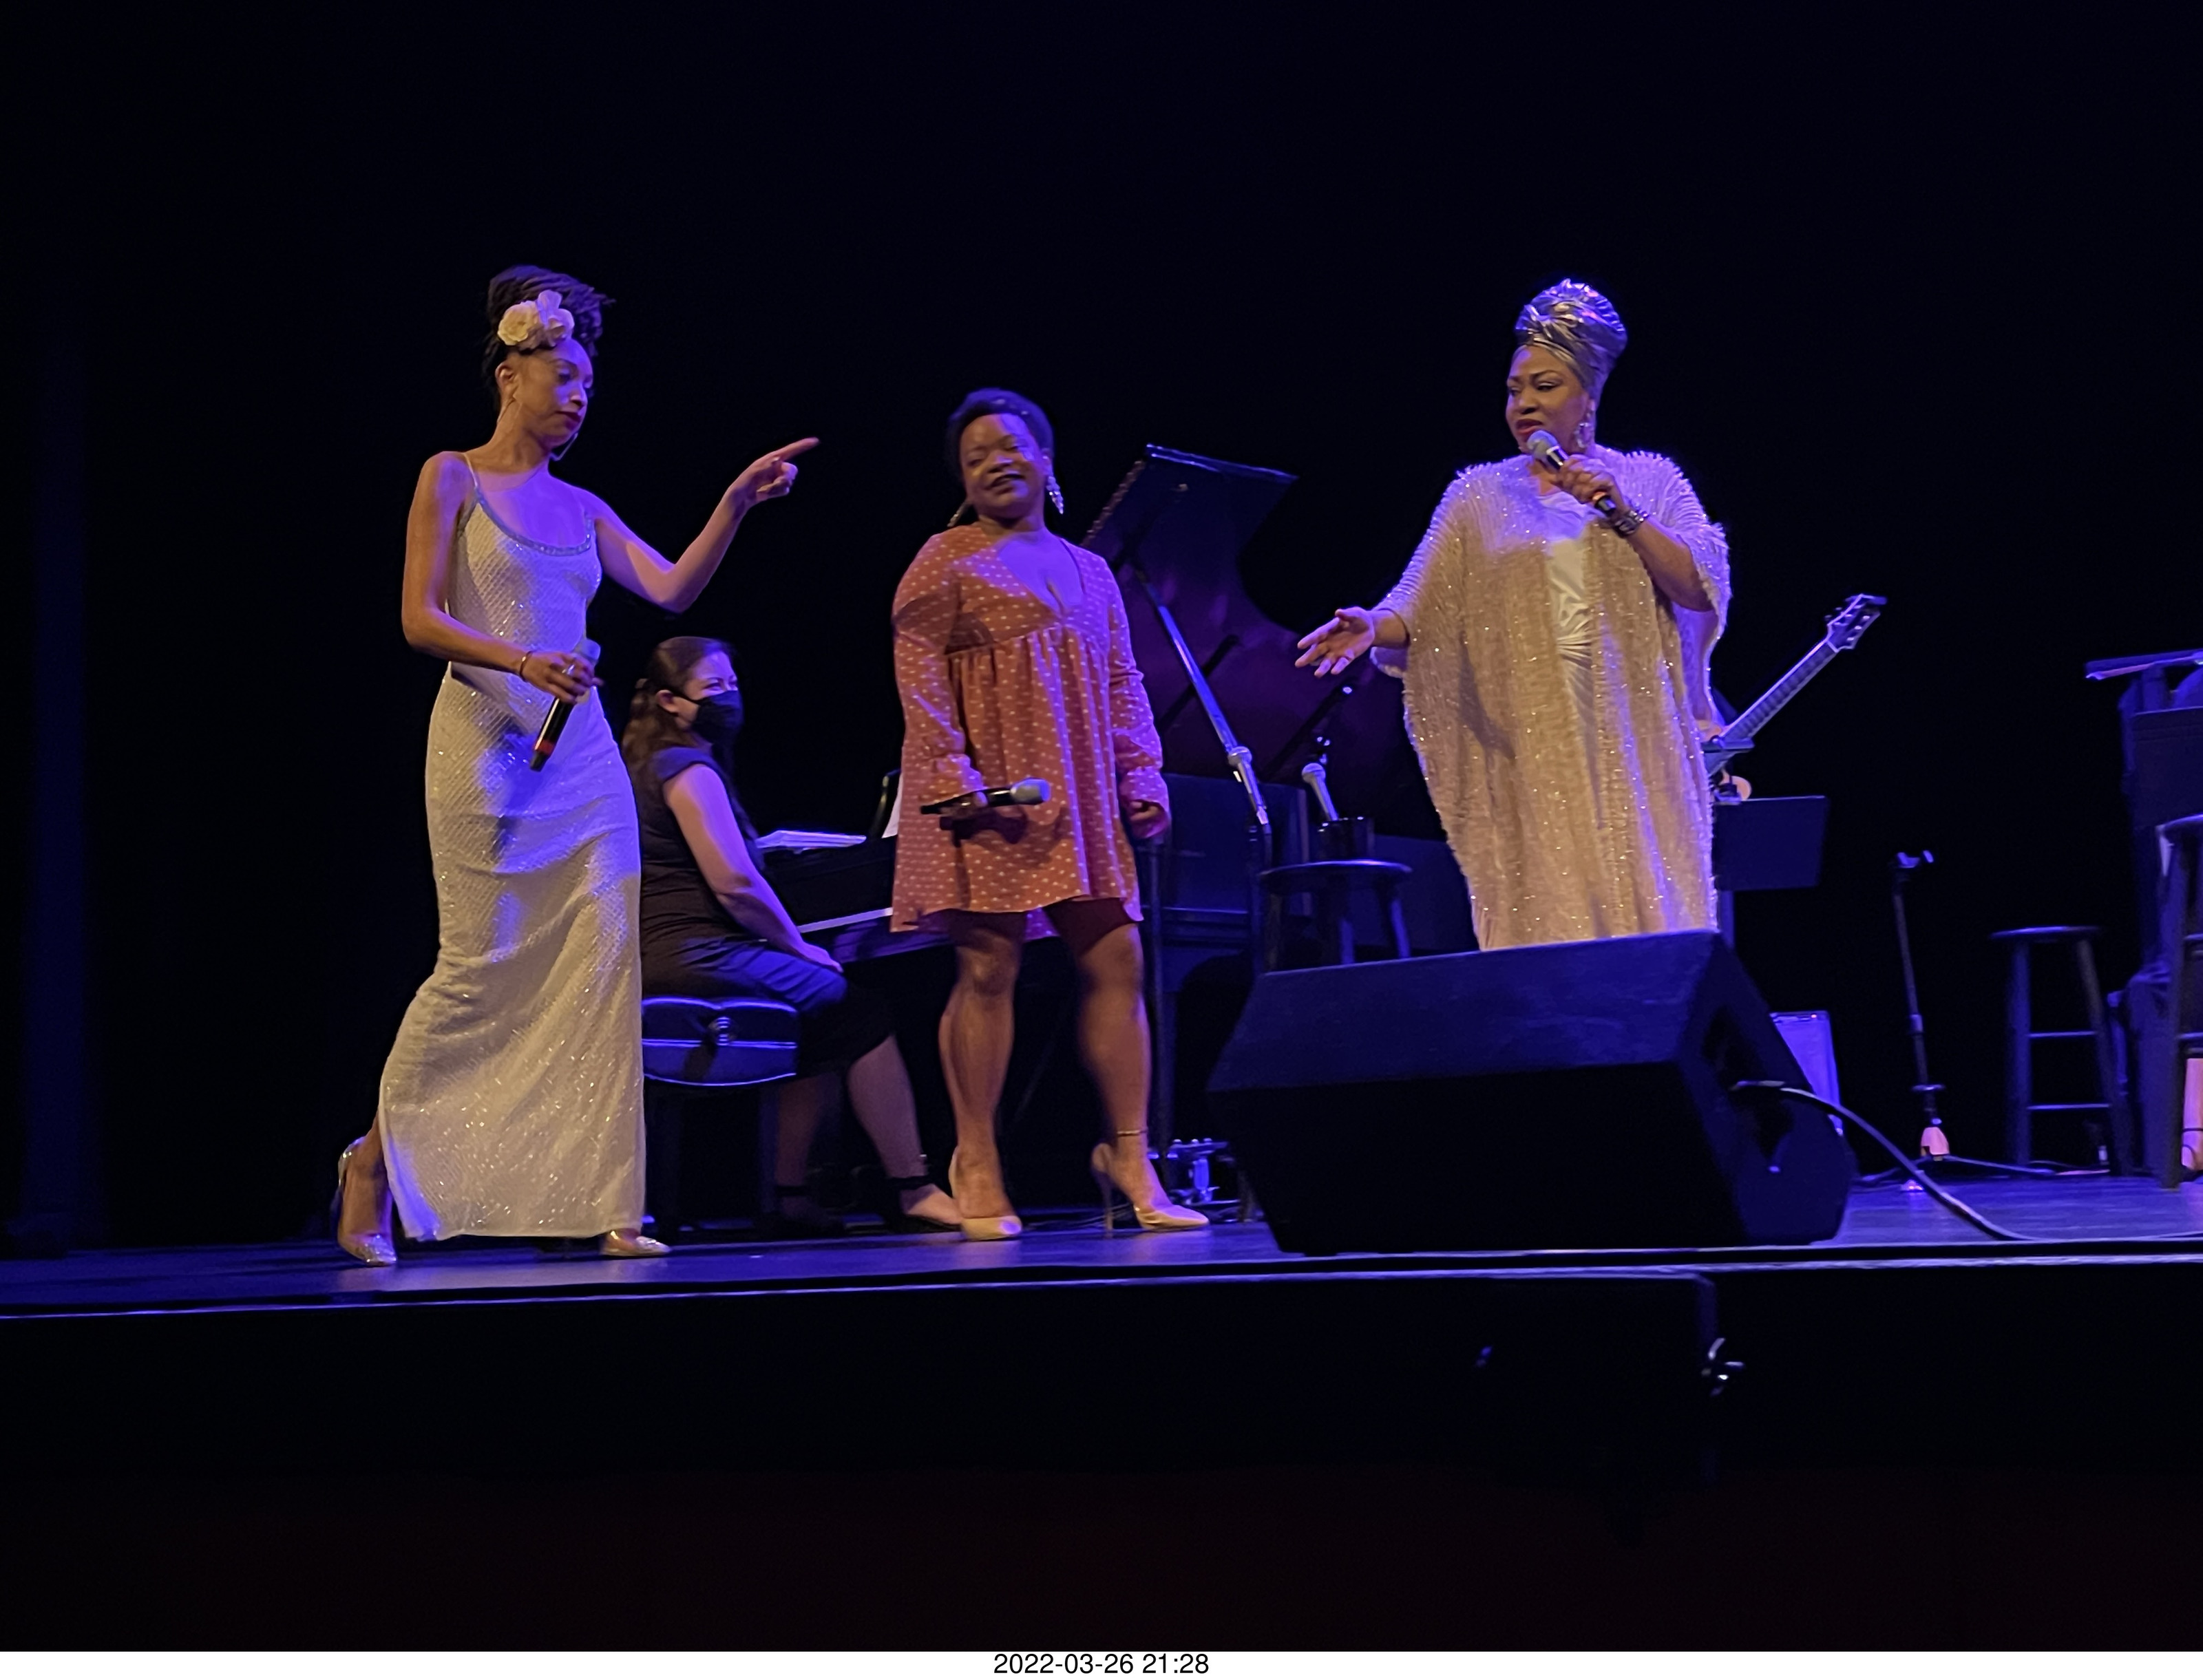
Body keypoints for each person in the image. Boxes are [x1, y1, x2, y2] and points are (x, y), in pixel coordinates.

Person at [335, 266, 816, 1265]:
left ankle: (608, 1202)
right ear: (510, 374)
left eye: (589, 384)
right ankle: (373, 1165)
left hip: (582, 762)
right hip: (484, 749)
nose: (579, 397)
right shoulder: (452, 476)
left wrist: (736, 502)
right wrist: (520, 659)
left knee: (599, 967)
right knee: (481, 970)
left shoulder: (583, 505)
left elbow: (672, 589)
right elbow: (420, 617)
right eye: (564, 377)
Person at [1297, 279, 1730, 949]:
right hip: (1535, 749)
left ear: (1588, 395)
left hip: (1631, 743)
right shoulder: (1477, 495)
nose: (1523, 403)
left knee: (1648, 914)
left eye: (1544, 386)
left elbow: (1700, 584)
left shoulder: (1649, 480)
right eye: (1513, 389)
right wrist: (1372, 625)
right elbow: (1420, 604)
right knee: (1550, 914)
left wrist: (1621, 510)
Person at [891, 389, 1206, 1240]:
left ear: (1045, 458)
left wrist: (1141, 769)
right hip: (990, 796)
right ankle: (975, 1158)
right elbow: (919, 677)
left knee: (1117, 957)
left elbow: (1121, 679)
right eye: (975, 456)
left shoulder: (1090, 570)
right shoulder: (943, 560)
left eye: (1010, 445)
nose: (996, 462)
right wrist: (953, 775)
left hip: (1079, 792)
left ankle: (1129, 1154)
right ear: (962, 480)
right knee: (988, 969)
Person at [624, 636, 962, 1234]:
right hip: (694, 954)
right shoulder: (687, 768)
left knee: (818, 1020)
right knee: (863, 1013)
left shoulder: (659, 763)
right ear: (671, 702)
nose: (729, 697)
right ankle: (912, 1187)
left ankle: (791, 1195)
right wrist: (797, 946)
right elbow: (735, 884)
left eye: (733, 684)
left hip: (674, 951)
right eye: (713, 688)